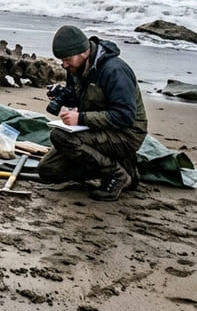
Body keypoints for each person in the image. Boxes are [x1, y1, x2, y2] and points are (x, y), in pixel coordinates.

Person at [39, 25, 148, 200]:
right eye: (61, 60)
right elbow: (79, 97)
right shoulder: (75, 69)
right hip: (96, 129)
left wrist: (80, 118)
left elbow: (125, 117)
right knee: (48, 171)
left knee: (61, 136)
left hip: (126, 134)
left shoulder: (115, 71)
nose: (64, 65)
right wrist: (63, 96)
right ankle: (124, 167)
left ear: (84, 52)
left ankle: (116, 174)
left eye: (67, 59)